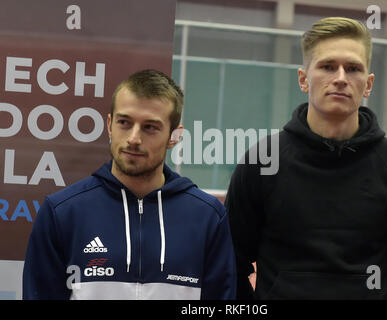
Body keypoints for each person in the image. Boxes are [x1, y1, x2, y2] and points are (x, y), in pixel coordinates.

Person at [225, 17, 387, 300]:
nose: (341, 78)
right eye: (327, 66)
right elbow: (231, 263)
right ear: (303, 79)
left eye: (353, 68)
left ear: (368, 84)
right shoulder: (262, 162)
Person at [23, 69, 236, 300]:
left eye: (150, 127)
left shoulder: (208, 217)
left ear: (174, 136)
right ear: (109, 125)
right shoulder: (62, 212)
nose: (134, 138)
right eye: (124, 122)